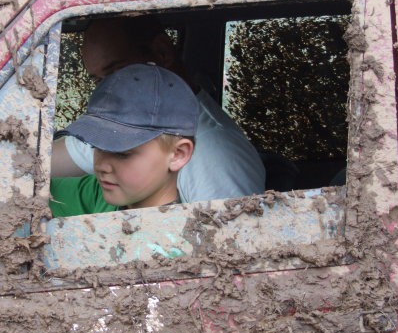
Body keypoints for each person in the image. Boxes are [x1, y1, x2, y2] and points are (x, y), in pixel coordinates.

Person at [51, 16, 265, 202]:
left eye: (117, 71)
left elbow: (227, 246)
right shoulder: (124, 126)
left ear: (161, 53)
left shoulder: (212, 154)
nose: (107, 91)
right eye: (98, 80)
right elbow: (44, 161)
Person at [49, 63, 198, 217]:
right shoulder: (97, 193)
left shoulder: (183, 236)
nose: (101, 166)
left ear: (178, 154)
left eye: (122, 153)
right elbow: (31, 187)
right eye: (95, 146)